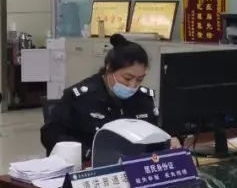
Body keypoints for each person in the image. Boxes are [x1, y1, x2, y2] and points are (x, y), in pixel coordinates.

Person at [41, 34, 166, 162]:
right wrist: (88, 153)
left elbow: (154, 136)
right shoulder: (81, 97)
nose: (133, 85)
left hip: (133, 166)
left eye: (139, 79)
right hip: (90, 166)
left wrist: (166, 143)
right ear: (109, 68)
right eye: (127, 78)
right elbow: (50, 135)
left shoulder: (143, 99)